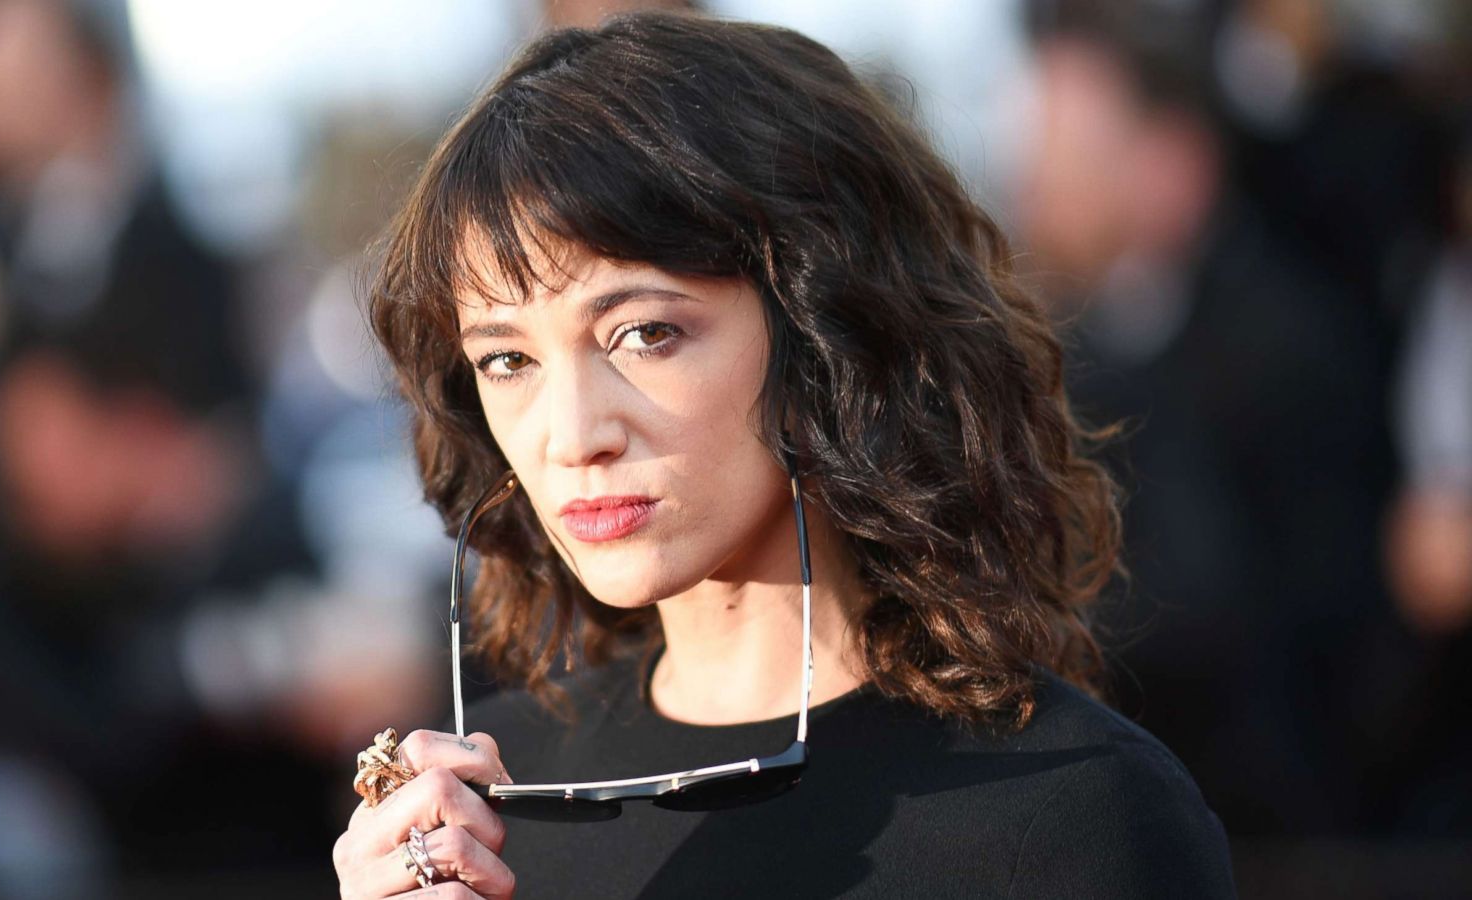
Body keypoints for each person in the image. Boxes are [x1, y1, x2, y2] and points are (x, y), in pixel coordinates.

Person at [334, 12, 1234, 899]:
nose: (571, 435)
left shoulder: (1070, 815)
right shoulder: (476, 810)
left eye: (645, 333)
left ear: (826, 330)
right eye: (508, 359)